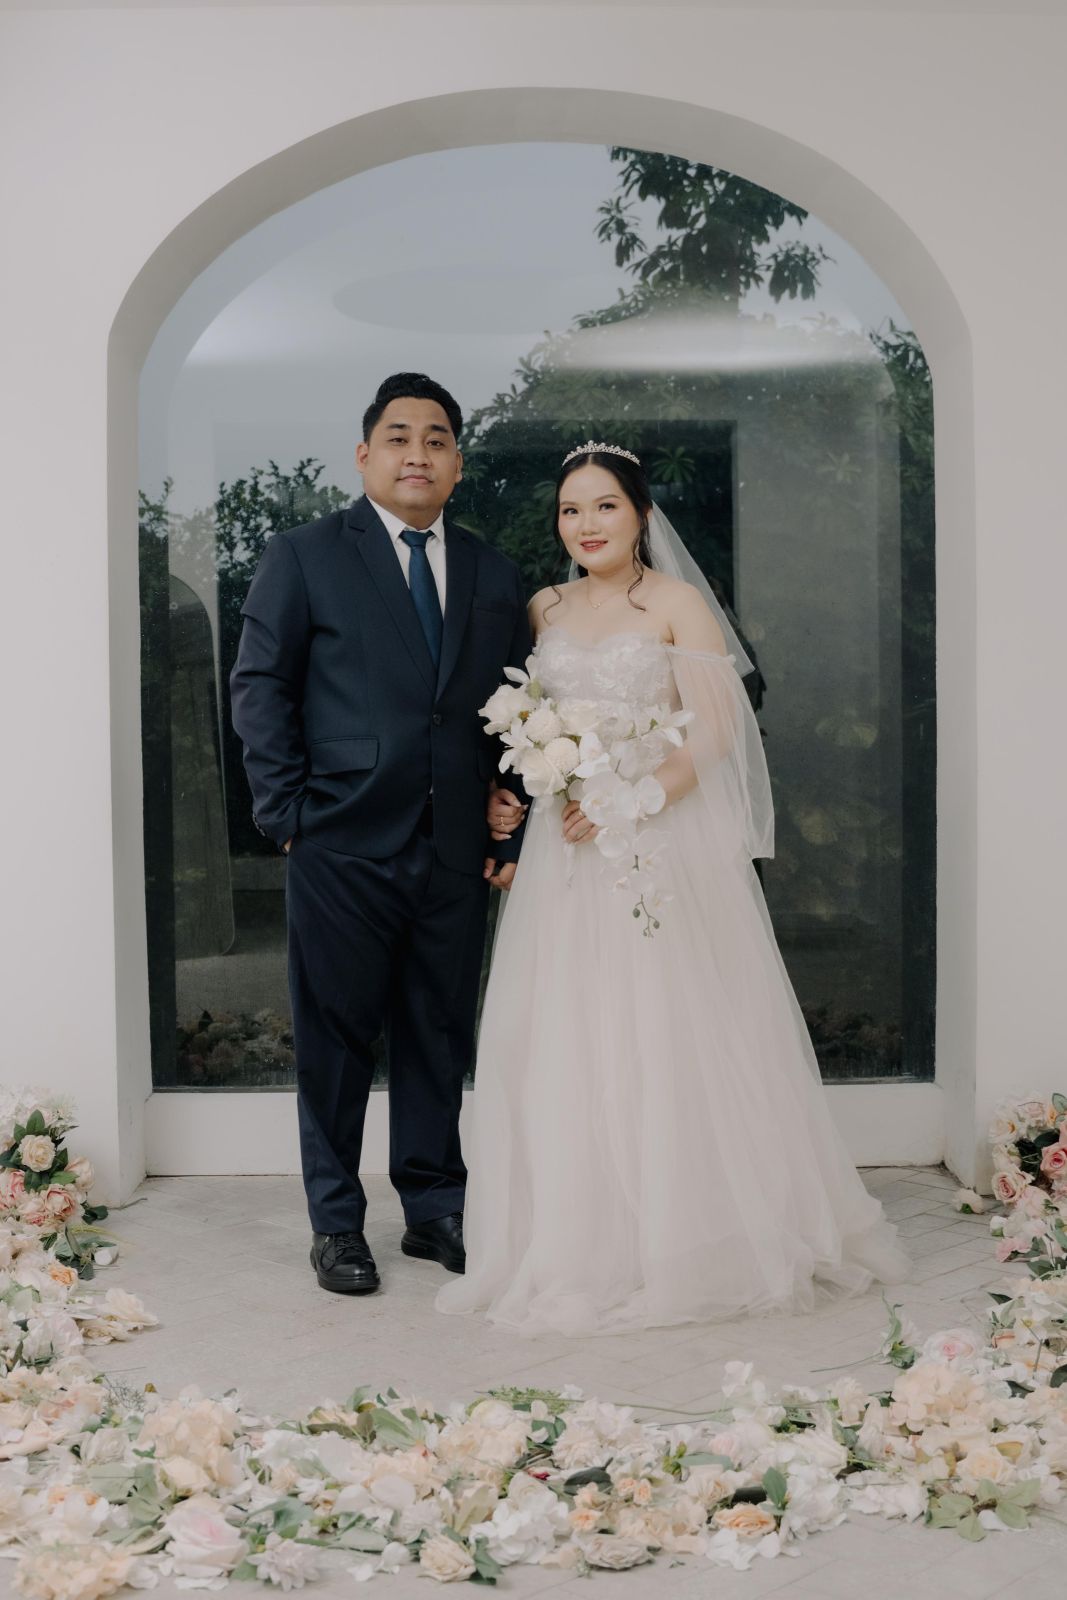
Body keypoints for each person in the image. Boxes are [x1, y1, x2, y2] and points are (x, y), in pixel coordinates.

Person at [437, 443, 909, 1335]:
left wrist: (628, 799)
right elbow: (523, 722)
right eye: (571, 509)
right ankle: (576, 1237)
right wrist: (527, 784)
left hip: (653, 841)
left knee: (664, 1024)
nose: (586, 524)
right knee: (566, 1029)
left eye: (604, 506)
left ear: (641, 515)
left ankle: (689, 1234)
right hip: (565, 857)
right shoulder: (543, 609)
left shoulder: (677, 604)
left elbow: (718, 728)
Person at [230, 374, 530, 1296]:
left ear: (457, 464)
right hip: (339, 840)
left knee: (438, 1033)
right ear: (364, 455)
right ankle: (336, 1224)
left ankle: (434, 1207)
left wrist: (508, 805)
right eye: (398, 437)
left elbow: (521, 702)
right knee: (335, 1040)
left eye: (435, 439)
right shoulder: (304, 555)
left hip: (453, 845)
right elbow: (259, 686)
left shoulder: (492, 572)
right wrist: (286, 818)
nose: (417, 454)